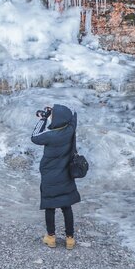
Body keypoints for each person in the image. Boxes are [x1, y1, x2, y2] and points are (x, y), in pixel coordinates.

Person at [31, 104, 81, 249]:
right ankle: (70, 239)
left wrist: (44, 118)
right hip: (65, 174)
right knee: (66, 207)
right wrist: (60, 112)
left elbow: (34, 137)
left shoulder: (49, 136)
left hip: (50, 176)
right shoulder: (70, 130)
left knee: (50, 206)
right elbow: (74, 117)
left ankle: (51, 237)